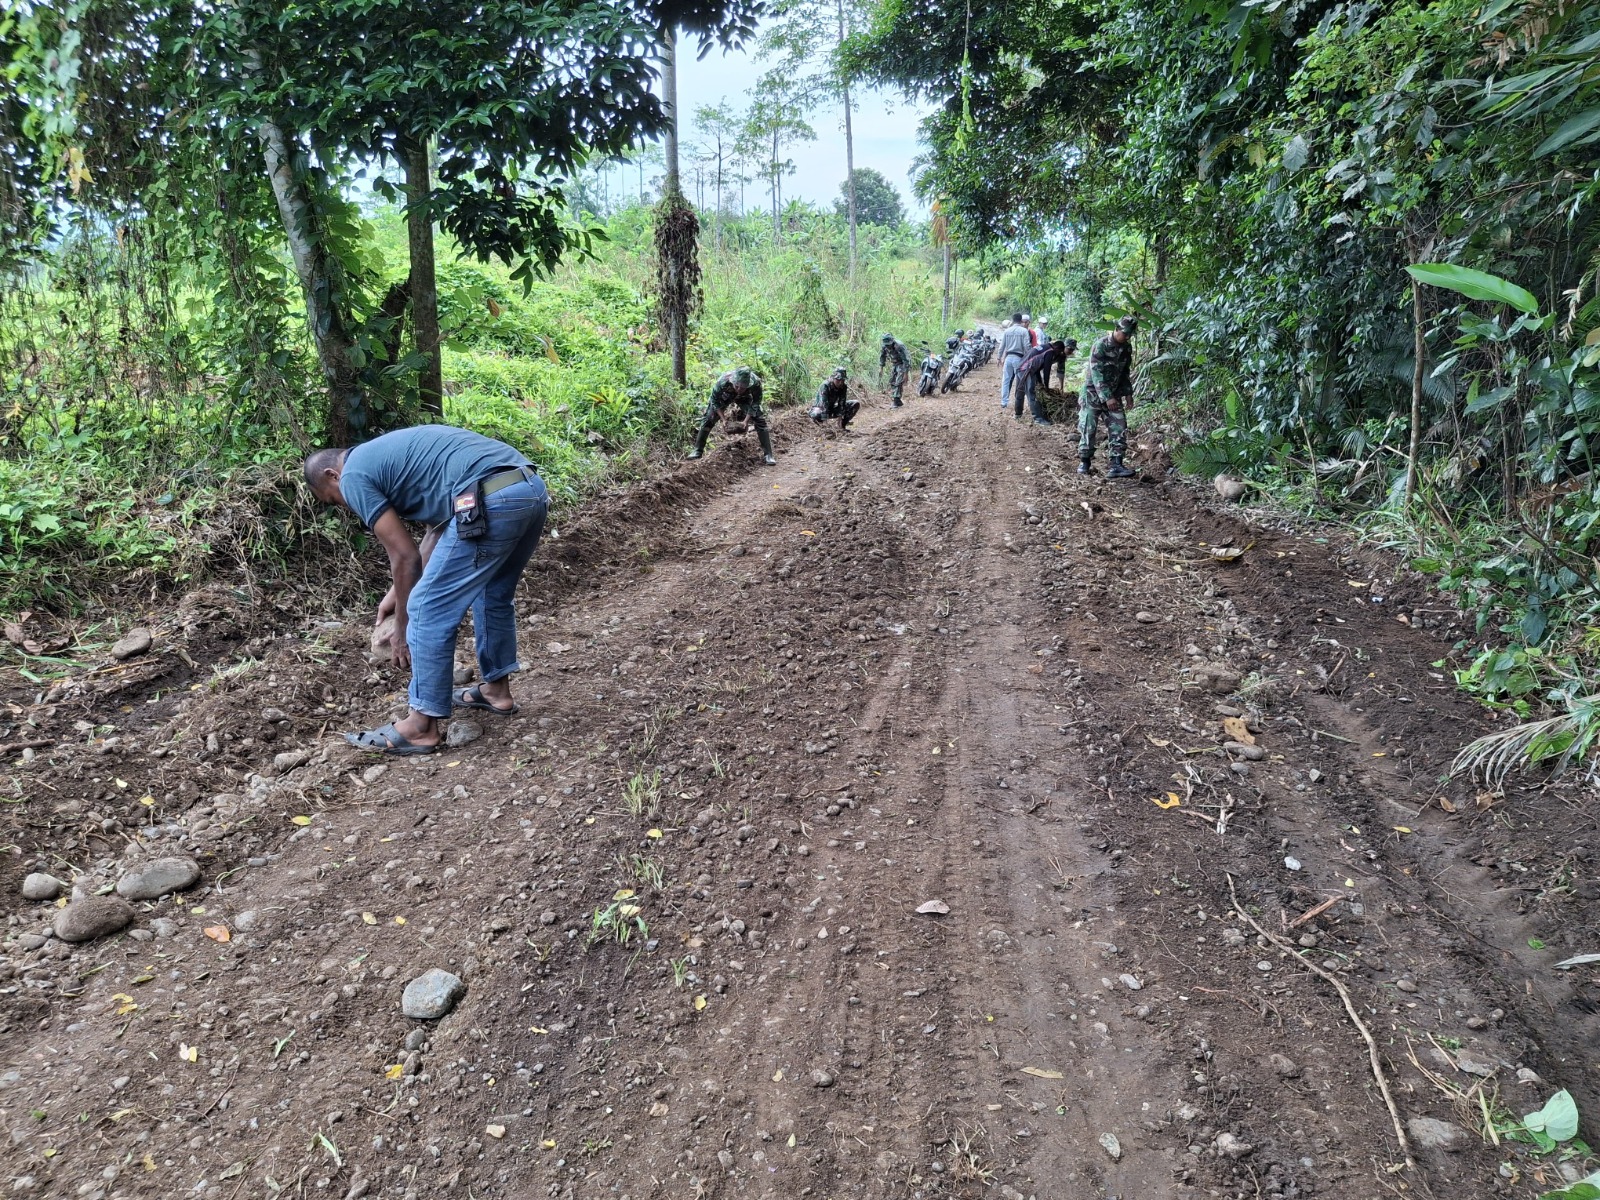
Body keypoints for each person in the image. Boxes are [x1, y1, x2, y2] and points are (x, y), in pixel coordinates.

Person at [304, 425, 549, 755]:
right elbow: (438, 531)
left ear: (333, 476)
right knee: (492, 593)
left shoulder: (353, 476)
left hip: (487, 499)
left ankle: (420, 726)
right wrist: (396, 591)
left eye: (335, 501)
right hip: (527, 488)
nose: (345, 505)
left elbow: (404, 556)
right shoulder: (389, 458)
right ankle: (496, 691)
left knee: (426, 609)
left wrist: (402, 627)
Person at [1079, 317, 1138, 478]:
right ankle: (1085, 462)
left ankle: (1116, 465)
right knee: (1088, 426)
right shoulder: (1100, 345)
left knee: (1119, 425)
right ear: (1116, 329)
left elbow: (1125, 371)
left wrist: (1128, 394)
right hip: (1093, 393)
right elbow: (1096, 373)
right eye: (1125, 333)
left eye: (1130, 334)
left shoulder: (1126, 348)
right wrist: (1106, 397)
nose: (1127, 337)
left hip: (1114, 393)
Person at [688, 367, 776, 465]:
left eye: (742, 387)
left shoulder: (756, 383)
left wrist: (746, 421)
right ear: (733, 381)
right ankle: (697, 450)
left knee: (759, 419)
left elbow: (755, 403)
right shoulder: (723, 381)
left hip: (745, 397)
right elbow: (714, 401)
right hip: (726, 395)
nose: (739, 389)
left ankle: (768, 455)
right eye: (737, 386)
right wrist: (723, 419)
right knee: (709, 418)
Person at [1012, 338, 1076, 425]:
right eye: (1069, 349)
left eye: (1073, 349)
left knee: (1021, 391)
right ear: (1062, 347)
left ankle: (1018, 414)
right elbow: (1047, 370)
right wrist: (1046, 387)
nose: (1071, 351)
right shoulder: (1050, 351)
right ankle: (1038, 419)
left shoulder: (1058, 353)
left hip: (1024, 367)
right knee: (1032, 393)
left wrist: (1059, 387)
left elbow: (1058, 371)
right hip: (1027, 369)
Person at [998, 312, 1030, 409]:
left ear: (1012, 320)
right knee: (1020, 381)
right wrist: (1029, 357)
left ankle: (1004, 402)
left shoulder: (1007, 331)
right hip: (1019, 359)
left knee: (1006, 380)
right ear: (1021, 321)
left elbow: (1002, 346)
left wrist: (999, 358)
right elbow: (1027, 346)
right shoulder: (1024, 331)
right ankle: (1019, 401)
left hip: (1008, 358)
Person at [878, 334, 911, 407]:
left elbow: (906, 359)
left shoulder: (899, 346)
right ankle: (898, 400)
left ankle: (896, 400)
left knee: (898, 382)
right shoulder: (884, 346)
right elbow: (882, 357)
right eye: (886, 345)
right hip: (895, 363)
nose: (888, 346)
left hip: (903, 363)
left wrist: (906, 374)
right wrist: (881, 368)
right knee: (892, 381)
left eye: (889, 345)